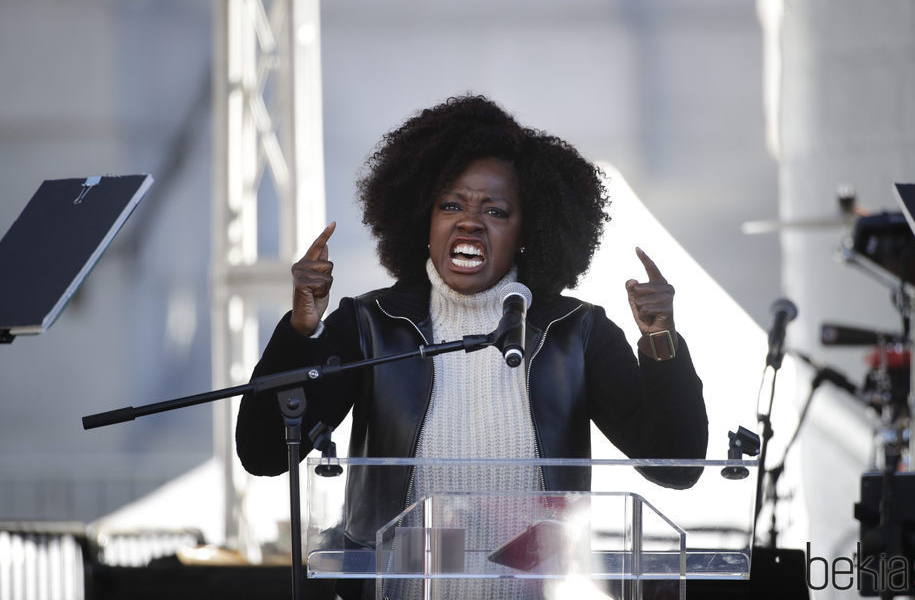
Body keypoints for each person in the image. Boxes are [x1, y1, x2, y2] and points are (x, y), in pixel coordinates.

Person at [235, 95, 708, 599]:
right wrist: (302, 331)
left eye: (496, 211)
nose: (469, 222)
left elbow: (675, 466)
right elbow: (264, 452)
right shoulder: (373, 324)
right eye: (451, 205)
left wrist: (660, 339)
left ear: (529, 231)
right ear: (424, 219)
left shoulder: (576, 331)